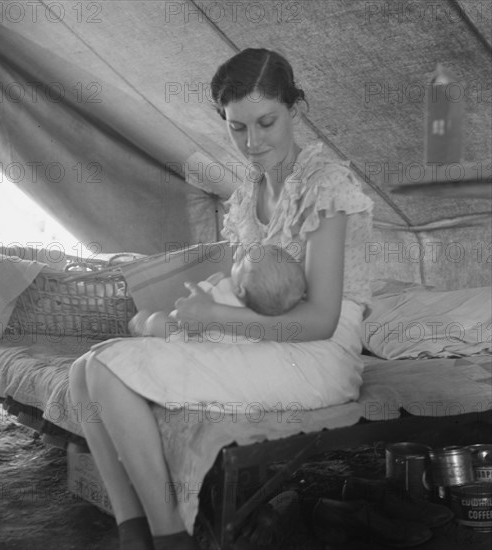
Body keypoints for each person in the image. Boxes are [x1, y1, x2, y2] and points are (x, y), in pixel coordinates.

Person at [69, 48, 373, 550]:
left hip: (319, 354)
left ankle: (169, 539)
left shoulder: (326, 185)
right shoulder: (248, 194)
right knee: (84, 371)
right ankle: (134, 530)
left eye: (267, 122)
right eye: (237, 128)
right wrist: (202, 316)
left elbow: (320, 320)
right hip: (263, 340)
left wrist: (212, 316)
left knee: (107, 370)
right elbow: (247, 292)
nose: (252, 143)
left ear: (296, 112)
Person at [128, 243, 307, 341]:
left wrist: (206, 286)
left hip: (187, 336)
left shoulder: (230, 294)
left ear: (240, 290)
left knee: (157, 319)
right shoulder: (261, 309)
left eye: (240, 264)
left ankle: (145, 328)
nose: (237, 260)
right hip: (209, 340)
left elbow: (201, 300)